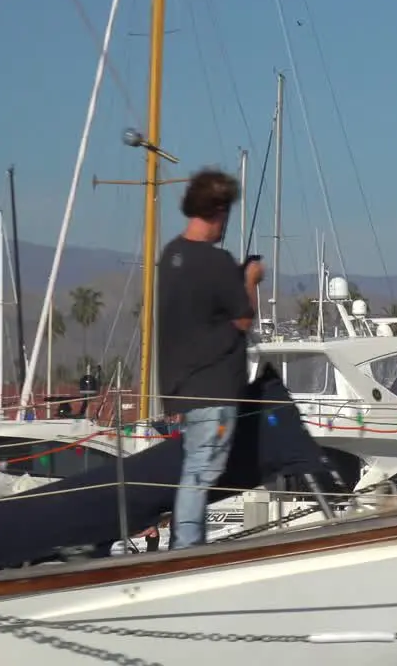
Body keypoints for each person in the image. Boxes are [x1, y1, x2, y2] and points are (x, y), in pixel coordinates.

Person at [158, 168, 263, 550]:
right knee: (201, 472)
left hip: (182, 389)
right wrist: (249, 279)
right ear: (218, 209)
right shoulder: (217, 262)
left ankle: (184, 543)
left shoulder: (171, 256)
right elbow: (242, 318)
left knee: (193, 468)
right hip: (214, 390)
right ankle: (185, 548)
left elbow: (198, 311)